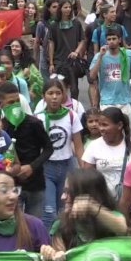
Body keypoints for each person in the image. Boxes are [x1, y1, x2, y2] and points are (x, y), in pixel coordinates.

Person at [0, 81, 53, 218]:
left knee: (35, 225)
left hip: (35, 184)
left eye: (17, 101)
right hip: (11, 186)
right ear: (0, 104)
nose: (15, 105)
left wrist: (32, 167)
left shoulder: (34, 123)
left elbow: (48, 148)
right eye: (10, 102)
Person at [45, 168, 127, 257]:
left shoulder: (109, 216)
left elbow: (122, 228)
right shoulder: (61, 223)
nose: (63, 197)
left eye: (69, 192)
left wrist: (92, 207)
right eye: (64, 192)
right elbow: (59, 258)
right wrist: (51, 253)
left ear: (84, 193)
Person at [36, 78, 83, 228]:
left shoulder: (71, 116)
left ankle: (64, 244)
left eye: (58, 93)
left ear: (64, 95)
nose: (54, 97)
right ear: (43, 96)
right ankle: (47, 246)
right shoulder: (38, 118)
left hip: (67, 167)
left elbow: (79, 146)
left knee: (65, 211)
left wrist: (83, 170)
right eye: (50, 93)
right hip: (46, 169)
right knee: (49, 212)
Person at [82, 107, 131, 201]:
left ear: (119, 125)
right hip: (105, 206)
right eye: (100, 125)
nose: (101, 128)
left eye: (105, 125)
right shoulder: (93, 146)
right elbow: (87, 180)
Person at [89, 28, 131, 114]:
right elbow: (92, 76)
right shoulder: (99, 55)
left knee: (125, 127)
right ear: (106, 41)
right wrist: (100, 57)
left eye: (114, 38)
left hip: (125, 102)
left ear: (119, 40)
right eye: (109, 39)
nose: (111, 41)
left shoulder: (128, 54)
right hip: (107, 102)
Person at [48, 0, 85, 100]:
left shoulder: (76, 24)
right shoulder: (54, 25)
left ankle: (74, 108)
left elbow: (82, 40)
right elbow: (51, 44)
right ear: (60, 9)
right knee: (60, 86)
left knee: (74, 89)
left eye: (69, 7)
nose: (68, 9)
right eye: (65, 7)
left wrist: (76, 52)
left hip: (72, 61)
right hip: (59, 60)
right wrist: (51, 63)